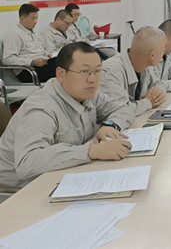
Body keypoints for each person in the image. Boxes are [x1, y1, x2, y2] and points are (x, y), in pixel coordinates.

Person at [0, 42, 134, 188]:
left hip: (63, 173)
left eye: (97, 71)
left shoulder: (87, 93)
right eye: (84, 72)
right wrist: (91, 151)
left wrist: (109, 125)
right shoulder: (42, 108)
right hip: (21, 188)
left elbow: (123, 108)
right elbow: (27, 163)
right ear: (61, 74)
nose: (92, 79)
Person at [100, 26, 167, 117]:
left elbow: (159, 84)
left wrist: (156, 94)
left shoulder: (143, 64)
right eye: (163, 49)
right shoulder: (111, 71)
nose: (164, 53)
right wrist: (148, 102)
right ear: (152, 55)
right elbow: (120, 110)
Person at [2, 3, 56, 82]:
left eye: (37, 18)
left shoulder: (35, 33)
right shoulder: (13, 35)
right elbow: (7, 59)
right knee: (61, 71)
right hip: (28, 71)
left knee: (64, 63)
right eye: (33, 18)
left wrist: (47, 54)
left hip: (41, 66)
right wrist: (33, 62)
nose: (36, 21)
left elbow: (39, 50)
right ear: (22, 18)